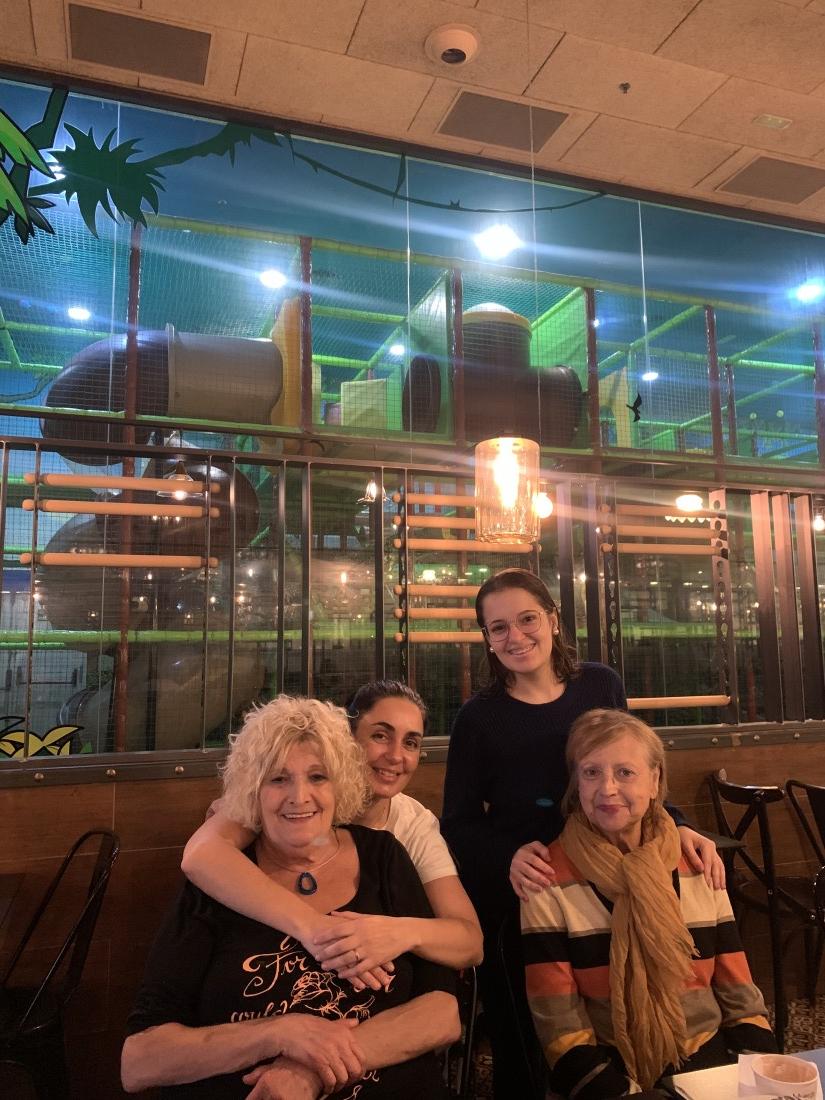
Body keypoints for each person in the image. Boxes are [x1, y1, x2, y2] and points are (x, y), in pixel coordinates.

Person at [441, 567, 723, 1098]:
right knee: (528, 1047)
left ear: (553, 619)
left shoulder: (600, 684)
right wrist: (508, 856)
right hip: (527, 890)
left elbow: (632, 764)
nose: (515, 636)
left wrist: (679, 824)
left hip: (606, 882)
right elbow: (456, 822)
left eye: (527, 619)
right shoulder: (478, 718)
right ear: (487, 638)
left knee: (609, 1026)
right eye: (498, 627)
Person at [122, 695, 460, 1099]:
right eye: (278, 779)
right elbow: (139, 1062)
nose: (299, 796)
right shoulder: (217, 883)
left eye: (318, 777)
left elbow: (443, 1014)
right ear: (252, 790)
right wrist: (278, 1033)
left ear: (340, 784)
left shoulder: (383, 856)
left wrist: (313, 1067)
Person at [522, 709, 776, 1099]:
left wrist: (760, 1072)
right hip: (608, 1066)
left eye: (625, 772)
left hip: (704, 1054)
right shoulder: (546, 876)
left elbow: (739, 992)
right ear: (576, 784)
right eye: (591, 772)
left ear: (655, 781)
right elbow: (559, 1024)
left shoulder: (696, 861)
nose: (607, 788)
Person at [179, 681, 482, 988]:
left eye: (411, 743)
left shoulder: (412, 825)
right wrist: (319, 931)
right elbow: (201, 855)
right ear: (345, 740)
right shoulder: (293, 806)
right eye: (380, 735)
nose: (395, 756)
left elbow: (469, 941)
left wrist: (396, 933)